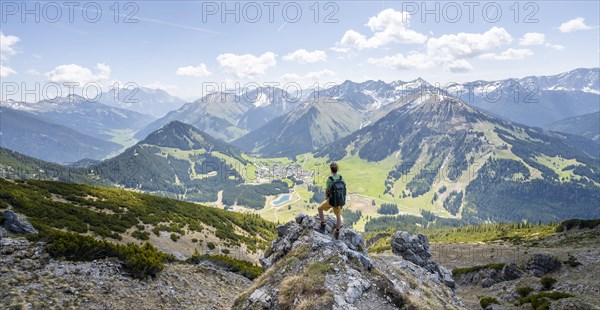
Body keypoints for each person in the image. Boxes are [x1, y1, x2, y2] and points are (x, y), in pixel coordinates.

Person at [317, 162, 346, 239]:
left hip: (331, 201)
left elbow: (327, 191)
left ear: (331, 170)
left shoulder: (330, 180)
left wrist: (327, 198)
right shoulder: (341, 178)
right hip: (339, 201)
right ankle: (337, 232)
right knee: (338, 216)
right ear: (337, 169)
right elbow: (344, 189)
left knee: (319, 208)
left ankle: (323, 225)